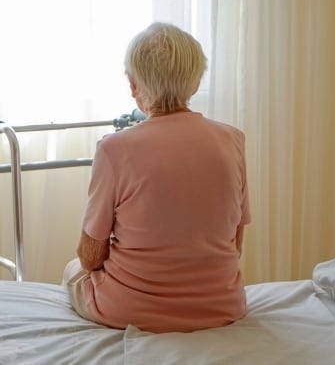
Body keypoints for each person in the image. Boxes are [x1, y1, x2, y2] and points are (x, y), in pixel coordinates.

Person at [62, 22, 250, 333]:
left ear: (134, 85)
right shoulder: (233, 141)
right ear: (194, 82)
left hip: (129, 311)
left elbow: (90, 257)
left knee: (73, 269)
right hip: (222, 306)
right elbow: (235, 244)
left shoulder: (113, 149)